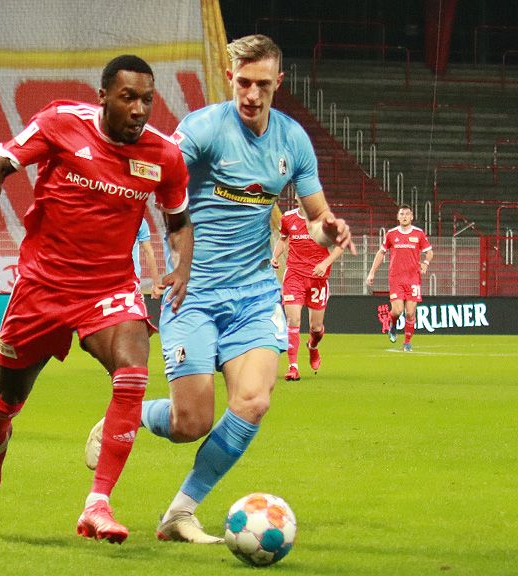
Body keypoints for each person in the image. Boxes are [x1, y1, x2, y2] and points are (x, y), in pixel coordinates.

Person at [86, 35, 352, 544]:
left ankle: (179, 513)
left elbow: (317, 218)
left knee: (253, 401)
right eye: (243, 82)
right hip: (194, 293)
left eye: (263, 84)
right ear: (231, 78)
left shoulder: (293, 140)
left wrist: (330, 229)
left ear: (279, 83)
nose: (252, 94)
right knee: (190, 422)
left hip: (254, 294)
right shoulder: (203, 130)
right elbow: (158, 177)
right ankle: (130, 415)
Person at [0, 55, 193, 544]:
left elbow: (177, 222)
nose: (139, 109)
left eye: (147, 99)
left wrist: (182, 266)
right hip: (42, 285)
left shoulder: (165, 155)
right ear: (103, 96)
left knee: (133, 371)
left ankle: (98, 503)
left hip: (108, 287)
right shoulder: (61, 122)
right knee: (7, 401)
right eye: (128, 98)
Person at [270, 206, 344, 381]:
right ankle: (293, 367)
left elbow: (341, 245)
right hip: (294, 276)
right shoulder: (288, 218)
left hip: (318, 279)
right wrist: (275, 256)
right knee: (293, 320)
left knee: (316, 328)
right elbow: (282, 239)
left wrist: (325, 263)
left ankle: (312, 345)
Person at [366, 204, 433, 352]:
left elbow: (429, 252)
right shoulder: (391, 234)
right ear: (398, 217)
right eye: (402, 214)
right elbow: (381, 253)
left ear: (412, 217)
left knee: (410, 312)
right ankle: (393, 324)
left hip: (413, 279)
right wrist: (372, 272)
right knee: (397, 310)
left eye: (407, 214)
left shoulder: (419, 233)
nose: (404, 216)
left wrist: (426, 263)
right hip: (396, 278)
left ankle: (407, 342)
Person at [133, 219, 163, 298]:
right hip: (130, 279)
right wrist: (156, 284)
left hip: (131, 279)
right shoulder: (139, 220)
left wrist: (156, 283)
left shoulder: (139, 220)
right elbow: (149, 252)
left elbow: (149, 252)